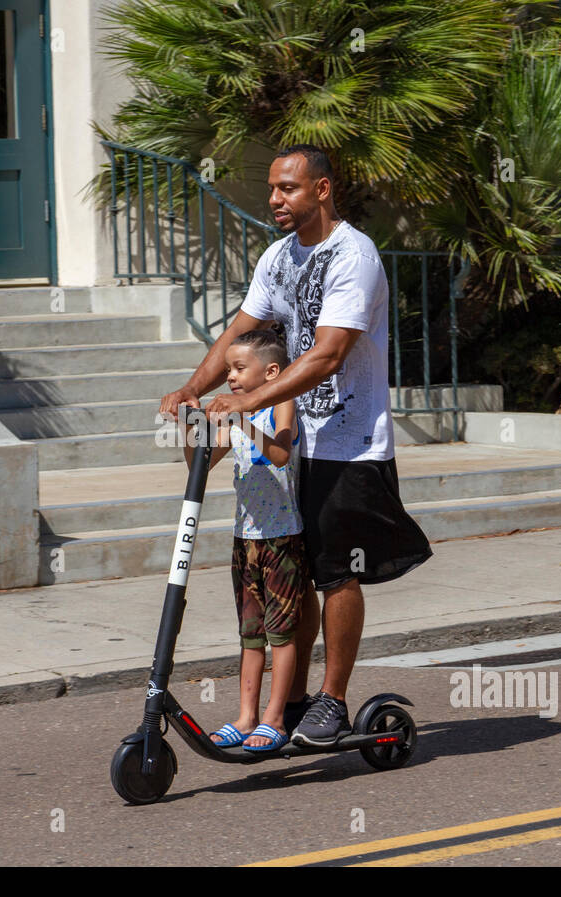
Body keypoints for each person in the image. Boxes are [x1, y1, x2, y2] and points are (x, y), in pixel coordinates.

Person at [159, 143, 432, 747]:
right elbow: (239, 330)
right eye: (274, 191)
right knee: (293, 577)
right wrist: (192, 388)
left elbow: (329, 353)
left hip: (348, 443)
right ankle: (291, 701)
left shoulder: (353, 256)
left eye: (289, 189)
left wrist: (247, 402)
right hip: (290, 444)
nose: (277, 201)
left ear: (323, 190)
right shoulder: (278, 257)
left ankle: (332, 700)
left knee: (339, 573)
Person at [182, 329, 308, 752]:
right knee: (249, 634)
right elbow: (200, 461)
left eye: (239, 368)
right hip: (245, 539)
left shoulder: (279, 403)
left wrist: (243, 420)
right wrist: (191, 422)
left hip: (282, 539)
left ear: (271, 372)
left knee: (281, 634)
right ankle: (245, 716)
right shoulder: (232, 416)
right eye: (228, 368)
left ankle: (274, 720)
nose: (230, 377)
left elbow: (281, 453)